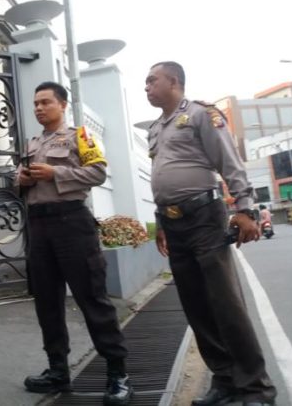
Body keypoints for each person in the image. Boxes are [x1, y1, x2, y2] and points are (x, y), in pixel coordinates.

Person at [145, 61, 276, 406]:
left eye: (152, 80)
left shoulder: (202, 114)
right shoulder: (155, 128)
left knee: (225, 304)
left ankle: (255, 388)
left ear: (173, 81)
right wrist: (161, 224)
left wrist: (245, 209)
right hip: (174, 224)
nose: (146, 87)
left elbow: (229, 161)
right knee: (196, 307)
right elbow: (162, 179)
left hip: (204, 216)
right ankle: (225, 381)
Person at [16, 82, 133, 405]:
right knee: (47, 303)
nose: (39, 108)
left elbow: (97, 174)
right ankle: (58, 370)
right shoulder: (32, 142)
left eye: (45, 102)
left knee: (92, 298)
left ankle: (117, 373)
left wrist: (55, 172)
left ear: (63, 104)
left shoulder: (80, 137)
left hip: (72, 223)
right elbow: (19, 180)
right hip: (39, 224)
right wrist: (22, 180)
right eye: (36, 103)